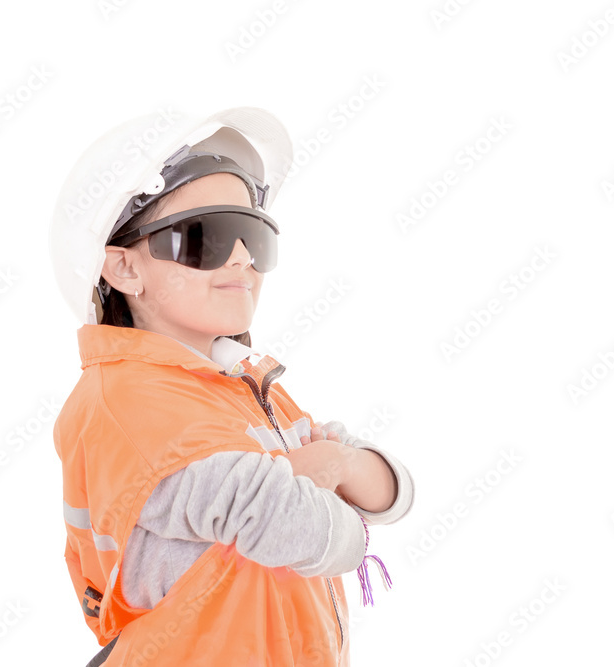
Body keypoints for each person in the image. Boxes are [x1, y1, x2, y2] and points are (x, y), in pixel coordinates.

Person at [47, 106, 415, 666]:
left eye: (252, 235)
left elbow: (391, 493)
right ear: (123, 270)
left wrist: (328, 467)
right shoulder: (125, 403)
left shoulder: (239, 384)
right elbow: (318, 532)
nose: (242, 258)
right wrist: (316, 472)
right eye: (205, 237)